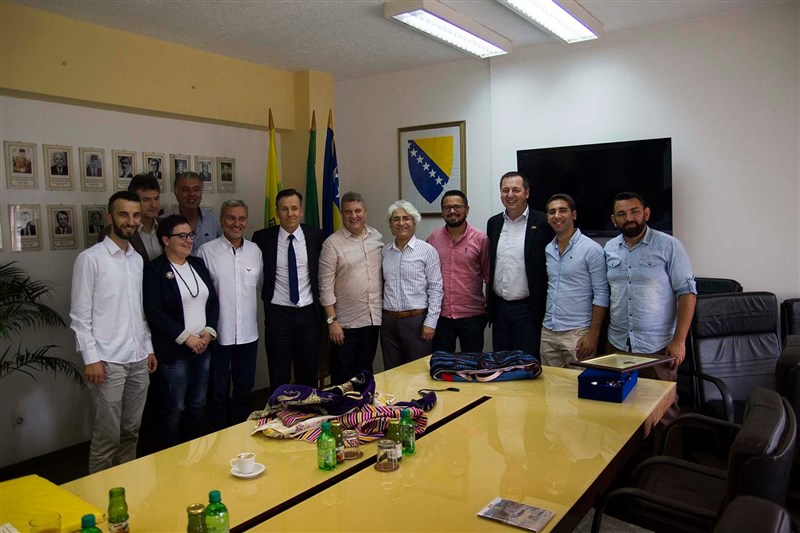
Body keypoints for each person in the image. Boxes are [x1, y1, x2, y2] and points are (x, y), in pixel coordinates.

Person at [69, 191, 157, 473]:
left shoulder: (137, 260)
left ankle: (125, 484)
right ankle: (98, 492)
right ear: (110, 217)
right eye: (123, 214)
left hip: (138, 358)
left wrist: (148, 348)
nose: (130, 221)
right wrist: (91, 359)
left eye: (135, 215)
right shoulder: (90, 259)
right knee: (107, 436)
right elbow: (80, 317)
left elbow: (138, 311)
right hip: (107, 361)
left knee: (131, 431)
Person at [605, 191, 697, 423]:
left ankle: (667, 449)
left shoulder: (669, 245)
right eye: (621, 214)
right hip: (618, 344)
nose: (629, 218)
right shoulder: (609, 249)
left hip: (657, 346)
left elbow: (687, 294)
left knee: (663, 413)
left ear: (646, 213)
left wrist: (679, 341)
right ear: (614, 220)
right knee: (619, 410)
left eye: (634, 211)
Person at [143, 215, 219, 449]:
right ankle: (171, 456)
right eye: (182, 236)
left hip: (202, 348)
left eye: (190, 235)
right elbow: (154, 311)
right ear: (166, 240)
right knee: (174, 408)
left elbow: (213, 301)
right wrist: (187, 338)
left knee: (197, 404)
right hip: (173, 352)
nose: (189, 240)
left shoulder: (198, 264)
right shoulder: (155, 270)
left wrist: (209, 331)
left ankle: (193, 453)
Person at [198, 200, 263, 429]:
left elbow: (261, 286)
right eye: (231, 218)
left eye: (241, 218)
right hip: (218, 333)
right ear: (222, 220)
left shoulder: (255, 251)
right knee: (217, 390)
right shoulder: (206, 252)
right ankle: (219, 434)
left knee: (244, 388)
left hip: (248, 333)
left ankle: (240, 433)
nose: (237, 223)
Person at [253, 189, 324, 390]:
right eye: (284, 209)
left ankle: (308, 409)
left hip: (308, 314)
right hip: (278, 315)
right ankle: (280, 409)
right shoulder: (262, 238)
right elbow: (258, 276)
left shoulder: (316, 236)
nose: (290, 213)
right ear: (277, 212)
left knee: (308, 371)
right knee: (278, 372)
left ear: (301, 211)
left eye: (294, 208)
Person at [487, 172, 554, 357]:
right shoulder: (494, 223)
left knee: (527, 363)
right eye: (505, 190)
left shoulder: (543, 222)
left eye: (516, 190)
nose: (510, 195)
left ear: (527, 192)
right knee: (501, 363)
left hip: (528, 310)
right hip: (500, 309)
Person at [319, 191, 383, 384]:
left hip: (372, 320)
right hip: (344, 325)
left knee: (365, 374)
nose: (353, 216)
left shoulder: (376, 237)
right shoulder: (332, 244)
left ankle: (364, 404)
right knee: (343, 378)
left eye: (358, 211)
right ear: (342, 214)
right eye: (348, 212)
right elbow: (325, 286)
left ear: (365, 212)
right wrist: (332, 322)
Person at [540, 194, 608, 367]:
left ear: (574, 215)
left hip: (578, 334)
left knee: (580, 383)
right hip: (549, 332)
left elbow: (601, 294)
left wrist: (593, 335)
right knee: (550, 383)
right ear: (547, 218)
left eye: (562, 210)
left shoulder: (591, 249)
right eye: (552, 212)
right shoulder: (549, 249)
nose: (557, 216)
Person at [381, 200, 443, 370]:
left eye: (406, 218)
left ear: (414, 222)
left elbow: (436, 289)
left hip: (416, 322)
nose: (401, 223)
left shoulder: (427, 251)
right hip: (389, 323)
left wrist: (430, 322)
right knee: (391, 372)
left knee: (417, 373)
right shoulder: (385, 252)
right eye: (396, 219)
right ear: (391, 225)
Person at [426, 190, 489, 353]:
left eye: (457, 207)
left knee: (473, 363)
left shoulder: (480, 239)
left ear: (467, 210)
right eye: (447, 207)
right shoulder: (433, 239)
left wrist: (489, 310)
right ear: (442, 211)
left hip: (472, 315)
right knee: (442, 363)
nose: (452, 211)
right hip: (441, 316)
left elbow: (488, 276)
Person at [98, 174, 163, 262]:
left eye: (156, 199)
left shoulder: (168, 225)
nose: (154, 205)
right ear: (134, 201)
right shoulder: (112, 232)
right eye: (146, 200)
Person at [168, 171, 221, 254]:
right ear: (176, 193)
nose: (192, 194)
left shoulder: (214, 221)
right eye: (186, 190)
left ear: (201, 193)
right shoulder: (165, 221)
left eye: (196, 189)